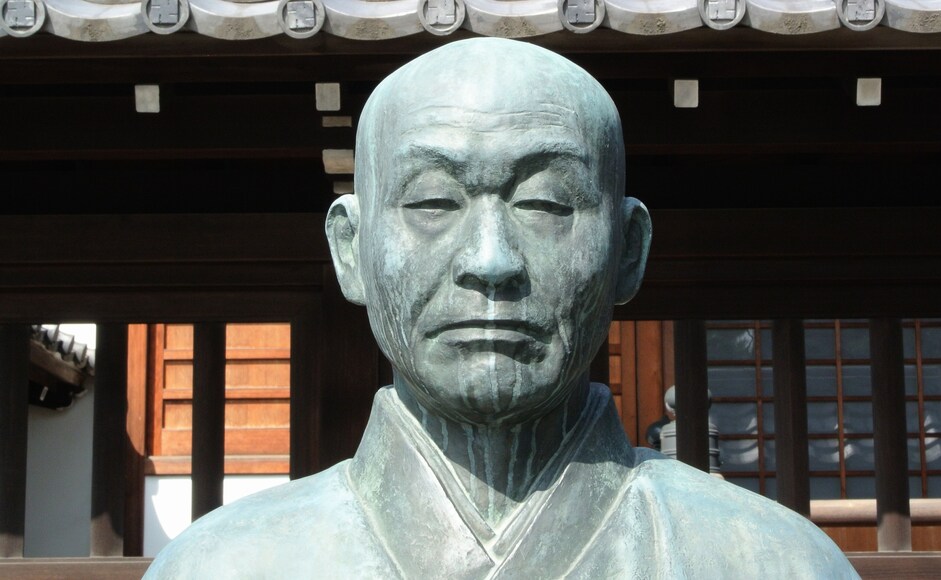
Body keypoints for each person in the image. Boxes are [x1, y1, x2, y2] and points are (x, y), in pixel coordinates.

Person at [145, 38, 858, 579]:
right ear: (349, 249)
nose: (490, 260)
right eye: (432, 202)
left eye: (547, 203)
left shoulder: (774, 563)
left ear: (629, 250)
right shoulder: (222, 567)